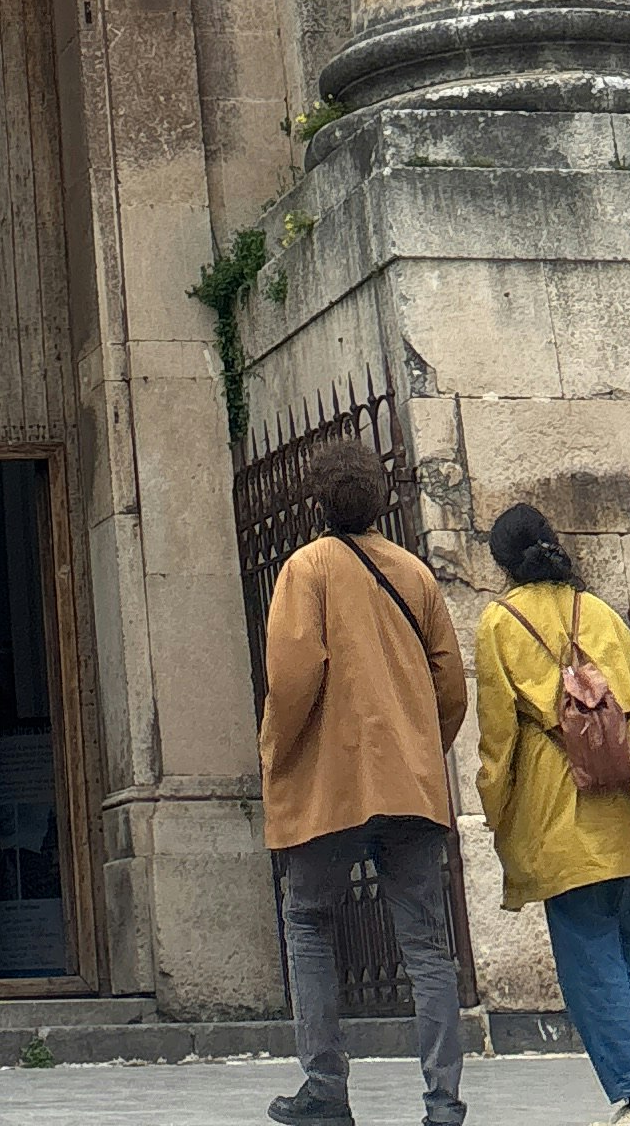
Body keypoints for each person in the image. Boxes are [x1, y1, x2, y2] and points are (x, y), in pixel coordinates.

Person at [257, 443, 471, 1126]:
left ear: (320, 501)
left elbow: (293, 680)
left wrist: (279, 754)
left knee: (310, 922)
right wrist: (417, 747)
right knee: (428, 949)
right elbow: (451, 688)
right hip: (410, 785)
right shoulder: (415, 574)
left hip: (334, 782)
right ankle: (443, 1103)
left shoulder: (307, 569)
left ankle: (326, 1089)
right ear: (383, 498)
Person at [472, 499, 630, 1126]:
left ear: (503, 563)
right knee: (625, 954)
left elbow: (498, 740)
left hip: (563, 814)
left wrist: (498, 811)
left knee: (590, 962)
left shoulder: (497, 624)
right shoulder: (598, 613)